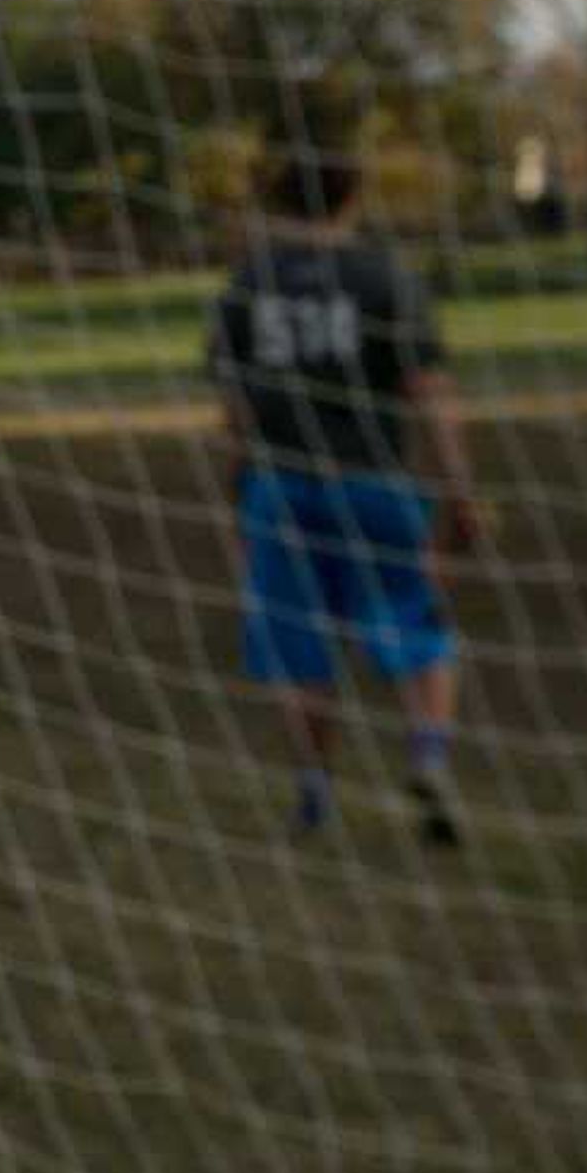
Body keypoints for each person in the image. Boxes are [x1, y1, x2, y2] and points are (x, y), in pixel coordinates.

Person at [209, 144, 486, 846]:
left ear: (276, 201)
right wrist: (461, 492)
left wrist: (235, 496)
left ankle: (313, 794)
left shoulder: (248, 285)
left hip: (280, 488)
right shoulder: (383, 277)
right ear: (353, 198)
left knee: (297, 642)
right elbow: (429, 391)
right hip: (374, 484)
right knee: (417, 628)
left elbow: (233, 415)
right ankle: (427, 757)